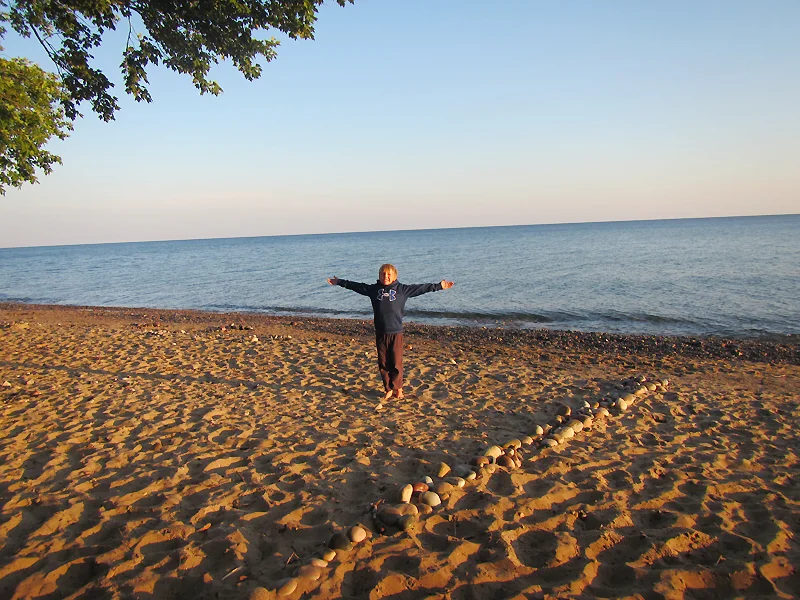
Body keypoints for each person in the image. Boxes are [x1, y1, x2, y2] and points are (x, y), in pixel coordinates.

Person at [327, 264, 454, 400]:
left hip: (396, 332)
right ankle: (388, 388)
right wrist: (340, 282)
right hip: (380, 332)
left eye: (388, 274)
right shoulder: (374, 290)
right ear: (379, 276)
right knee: (383, 362)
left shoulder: (402, 290)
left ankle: (398, 389)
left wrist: (439, 286)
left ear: (394, 276)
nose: (385, 277)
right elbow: (357, 286)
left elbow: (421, 288)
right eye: (383, 274)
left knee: (396, 362)